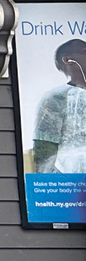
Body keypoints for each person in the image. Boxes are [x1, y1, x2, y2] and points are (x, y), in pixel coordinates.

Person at [32, 39, 86, 174]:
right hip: (73, 184)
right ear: (68, 60)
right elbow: (44, 154)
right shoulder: (55, 99)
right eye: (84, 51)